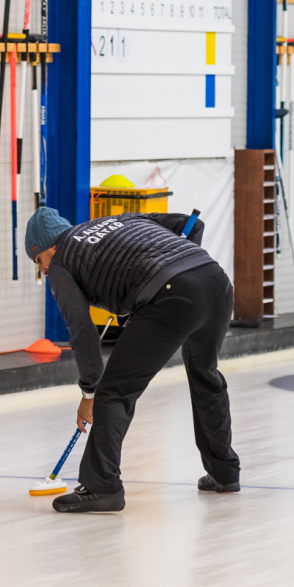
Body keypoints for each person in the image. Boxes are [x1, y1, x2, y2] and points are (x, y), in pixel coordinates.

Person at [25, 207, 240, 513]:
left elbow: (82, 333)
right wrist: (179, 264)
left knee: (114, 392)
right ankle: (225, 472)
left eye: (39, 262)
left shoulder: (62, 262)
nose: (44, 271)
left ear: (49, 248)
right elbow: (193, 225)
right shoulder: (122, 220)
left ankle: (102, 486)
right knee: (205, 374)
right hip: (216, 281)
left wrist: (90, 392)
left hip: (172, 296)